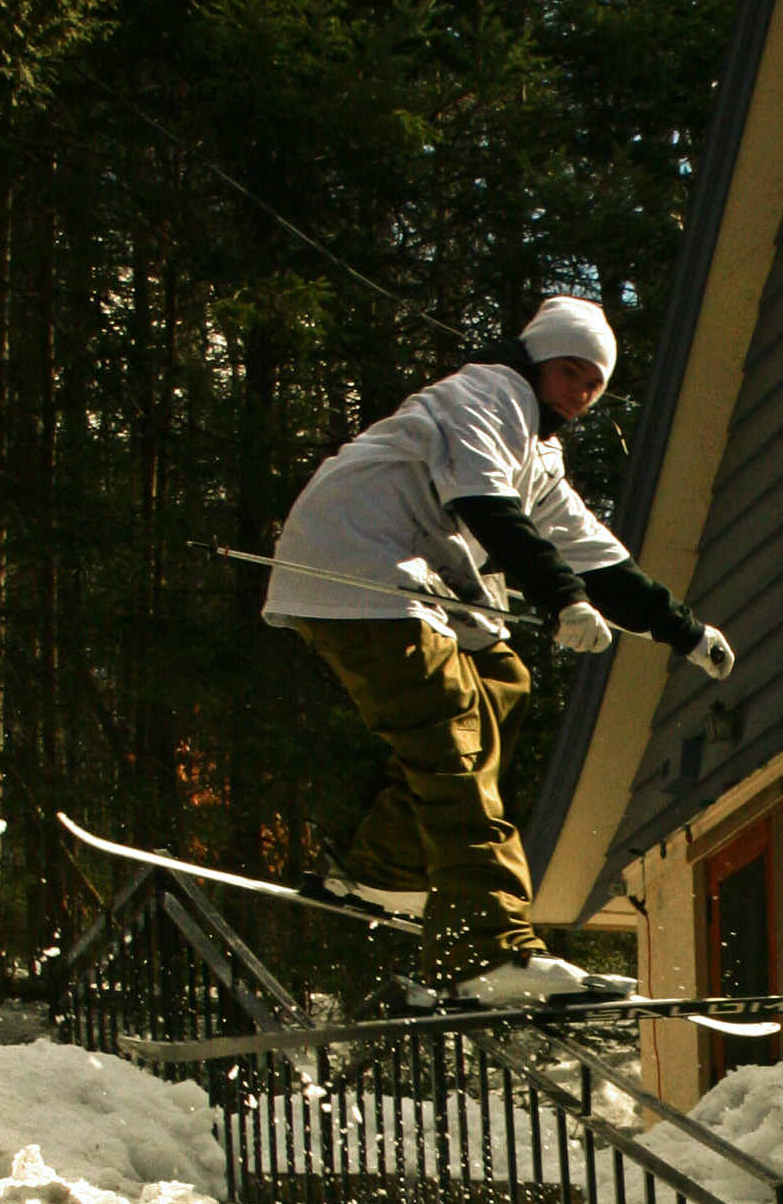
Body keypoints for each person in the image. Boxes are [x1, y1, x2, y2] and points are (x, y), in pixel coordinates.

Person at [263, 294, 733, 1003]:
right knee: (450, 735)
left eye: (594, 385)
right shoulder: (487, 395)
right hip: (354, 568)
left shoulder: (537, 451)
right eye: (571, 372)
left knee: (501, 682)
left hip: (414, 582)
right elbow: (486, 506)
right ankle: (486, 951)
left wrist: (684, 629)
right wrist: (561, 599)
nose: (579, 392)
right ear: (539, 359)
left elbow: (597, 557)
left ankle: (382, 870)